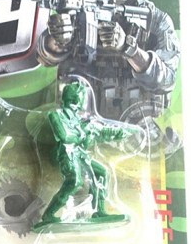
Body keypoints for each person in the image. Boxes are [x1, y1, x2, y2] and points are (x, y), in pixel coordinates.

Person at [37, 0, 180, 126]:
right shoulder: (82, 8)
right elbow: (44, 59)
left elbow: (167, 80)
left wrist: (129, 49)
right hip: (81, 119)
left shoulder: (156, 21)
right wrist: (58, 41)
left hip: (137, 121)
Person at [34, 79, 129, 229]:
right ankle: (48, 214)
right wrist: (82, 135)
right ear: (73, 98)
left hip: (79, 154)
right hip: (67, 155)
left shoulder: (78, 120)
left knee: (102, 172)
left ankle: (99, 210)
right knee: (74, 181)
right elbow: (64, 136)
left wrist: (115, 133)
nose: (80, 104)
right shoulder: (56, 115)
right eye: (79, 99)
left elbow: (93, 136)